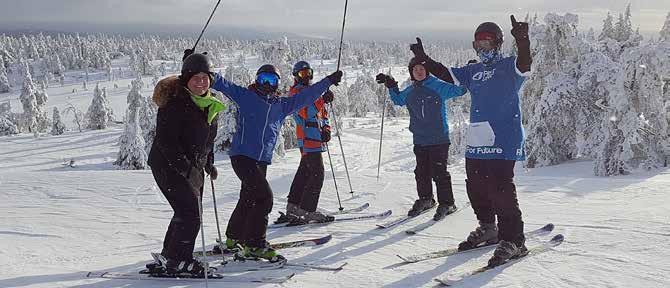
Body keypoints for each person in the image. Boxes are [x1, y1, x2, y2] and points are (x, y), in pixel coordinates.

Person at [410, 15, 532, 267]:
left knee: (501, 189)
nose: (482, 50)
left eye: (487, 44)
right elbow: (445, 73)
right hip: (478, 137)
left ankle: (515, 240)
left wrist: (522, 40)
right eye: (478, 45)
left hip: (503, 138)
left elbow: (525, 63)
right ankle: (488, 228)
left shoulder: (510, 67)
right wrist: (424, 59)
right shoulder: (473, 70)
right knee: (475, 186)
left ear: (498, 44)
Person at [210, 64, 343, 262]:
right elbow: (223, 84)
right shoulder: (246, 96)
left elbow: (307, 97)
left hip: (261, 159)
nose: (266, 84)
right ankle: (255, 245)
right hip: (243, 156)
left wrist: (328, 82)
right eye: (263, 78)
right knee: (264, 198)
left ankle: (233, 239)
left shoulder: (281, 105)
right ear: (256, 79)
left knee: (249, 197)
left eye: (272, 80)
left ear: (277, 84)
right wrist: (202, 70)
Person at [146, 53, 224, 277]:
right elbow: (167, 143)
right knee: (190, 214)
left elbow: (206, 139)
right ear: (186, 79)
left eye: (205, 77)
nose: (201, 82)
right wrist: (188, 170)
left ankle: (170, 256)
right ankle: (179, 261)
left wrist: (208, 162)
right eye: (195, 78)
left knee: (186, 211)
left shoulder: (210, 104)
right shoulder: (174, 105)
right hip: (167, 165)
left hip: (193, 165)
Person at [376, 57, 466, 221]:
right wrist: (391, 85)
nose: (419, 72)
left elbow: (460, 90)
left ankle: (448, 203)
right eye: (415, 69)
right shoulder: (410, 91)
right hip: (420, 139)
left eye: (421, 69)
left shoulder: (438, 87)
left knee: (439, 172)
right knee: (421, 172)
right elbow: (398, 100)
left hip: (439, 138)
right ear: (411, 73)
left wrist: (467, 74)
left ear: (427, 71)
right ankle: (426, 199)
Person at [275, 61, 336, 225]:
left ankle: (294, 206)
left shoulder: (312, 91)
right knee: (317, 174)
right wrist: (322, 100)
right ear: (296, 76)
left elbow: (323, 115)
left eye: (308, 72)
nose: (306, 76)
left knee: (305, 173)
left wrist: (326, 129)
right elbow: (306, 113)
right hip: (307, 139)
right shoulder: (296, 93)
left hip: (317, 138)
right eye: (302, 74)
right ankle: (308, 210)